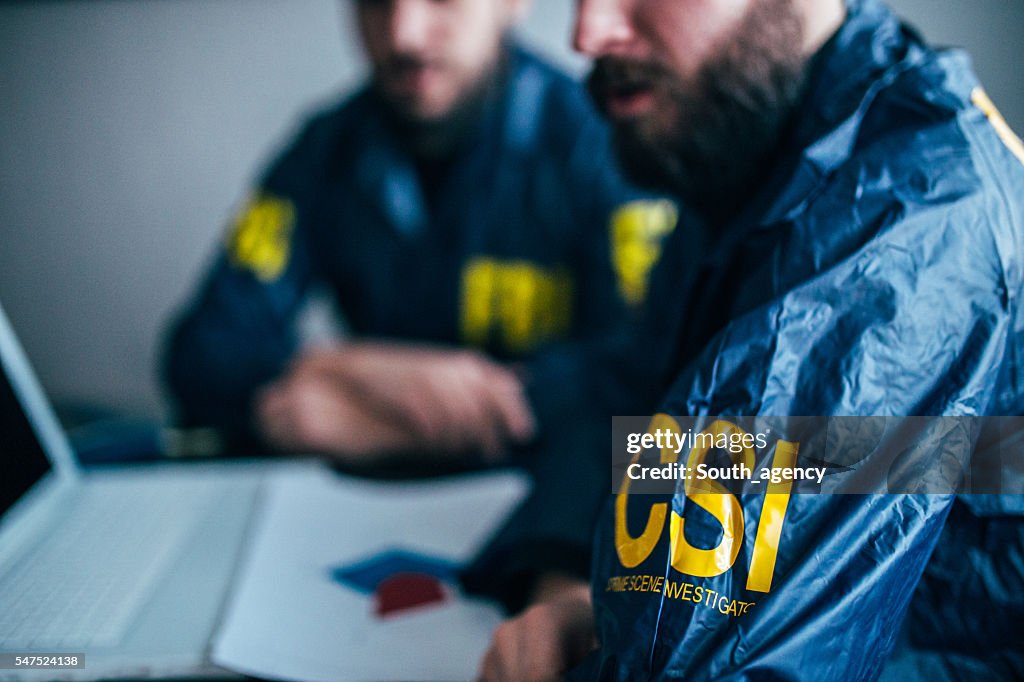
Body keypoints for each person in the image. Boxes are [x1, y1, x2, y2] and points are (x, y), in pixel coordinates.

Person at [478, 0, 1024, 679]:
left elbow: (711, 661)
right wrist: (567, 579)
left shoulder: (908, 219)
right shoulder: (749, 142)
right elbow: (634, 404)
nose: (588, 35)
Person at [163, 0, 677, 466]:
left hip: (555, 500)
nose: (403, 34)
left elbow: (659, 372)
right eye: (375, 4)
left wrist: (501, 404)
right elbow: (199, 352)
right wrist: (342, 370)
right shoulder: (324, 151)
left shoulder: (607, 147)